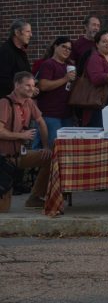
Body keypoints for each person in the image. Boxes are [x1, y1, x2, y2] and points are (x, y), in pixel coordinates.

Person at [0, 72, 52, 208]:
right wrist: (21, 136)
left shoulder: (29, 102)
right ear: (17, 85)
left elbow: (41, 122)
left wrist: (46, 146)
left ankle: (35, 198)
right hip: (4, 160)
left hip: (20, 155)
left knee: (50, 157)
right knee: (2, 210)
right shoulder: (5, 103)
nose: (32, 89)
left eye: (33, 85)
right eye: (27, 85)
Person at [35, 37, 76, 148]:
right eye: (64, 46)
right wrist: (65, 79)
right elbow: (43, 85)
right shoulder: (48, 64)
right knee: (52, 149)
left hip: (66, 114)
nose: (67, 50)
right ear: (55, 46)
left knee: (65, 149)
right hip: (50, 115)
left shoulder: (69, 66)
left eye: (69, 48)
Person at [0, 20, 34, 99]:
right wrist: (25, 89)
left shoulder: (21, 51)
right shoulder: (6, 51)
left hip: (21, 101)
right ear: (17, 33)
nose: (31, 35)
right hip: (8, 102)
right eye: (28, 31)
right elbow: (3, 80)